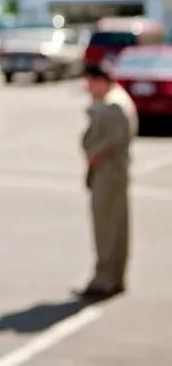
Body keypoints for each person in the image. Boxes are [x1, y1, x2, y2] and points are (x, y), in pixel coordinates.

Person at [76, 63, 137, 301]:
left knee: (106, 228)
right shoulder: (115, 100)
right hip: (113, 173)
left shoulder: (113, 105)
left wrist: (92, 154)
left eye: (90, 83)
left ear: (100, 81)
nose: (89, 88)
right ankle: (114, 277)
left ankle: (105, 279)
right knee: (115, 227)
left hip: (108, 173)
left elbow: (111, 141)